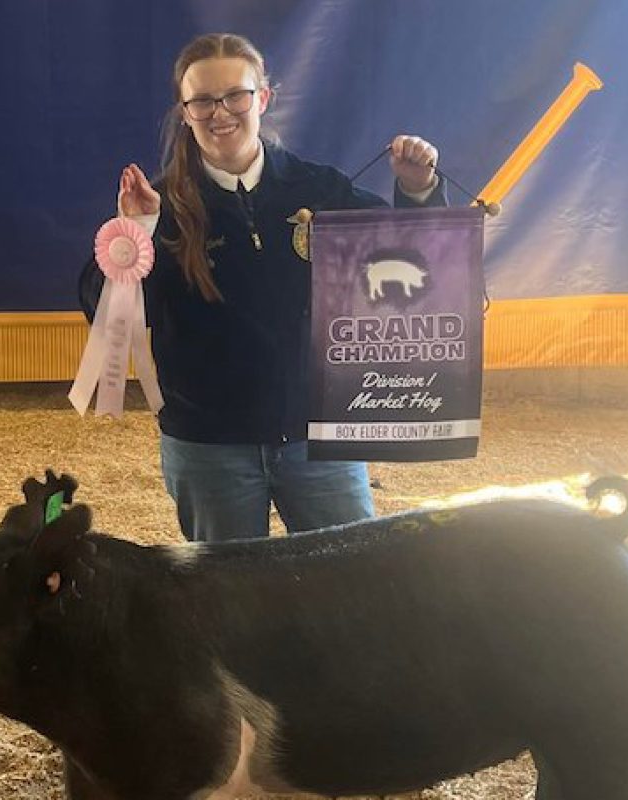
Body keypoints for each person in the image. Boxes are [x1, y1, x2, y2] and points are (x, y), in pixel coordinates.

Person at [79, 33, 447, 543]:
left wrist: (417, 190)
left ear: (263, 98)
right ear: (185, 111)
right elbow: (107, 314)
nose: (220, 112)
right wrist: (133, 235)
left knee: (348, 585)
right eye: (202, 100)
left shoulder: (319, 189)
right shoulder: (156, 205)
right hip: (209, 445)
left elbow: (411, 257)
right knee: (229, 604)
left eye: (236, 95)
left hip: (317, 437)